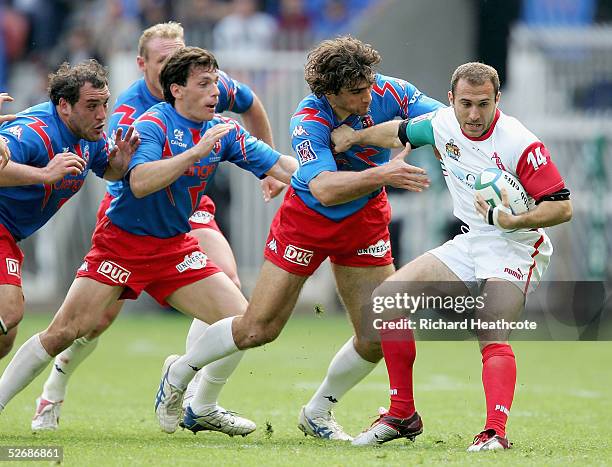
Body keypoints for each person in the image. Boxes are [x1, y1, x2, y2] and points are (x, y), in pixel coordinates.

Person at [152, 35, 442, 440]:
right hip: (307, 221)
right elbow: (323, 188)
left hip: (364, 220)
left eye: (369, 85)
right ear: (330, 92)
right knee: (259, 328)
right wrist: (383, 173)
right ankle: (181, 370)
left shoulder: (391, 91)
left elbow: (444, 123)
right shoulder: (309, 119)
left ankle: (318, 412)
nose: (367, 97)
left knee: (377, 336)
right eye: (357, 93)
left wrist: (370, 136)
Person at [0, 46, 296, 438]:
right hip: (121, 243)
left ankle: (189, 388)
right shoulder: (151, 123)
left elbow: (279, 162)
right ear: (176, 88)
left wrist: (325, 175)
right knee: (65, 331)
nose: (215, 92)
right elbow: (138, 183)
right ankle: (38, 396)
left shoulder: (219, 130)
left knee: (248, 326)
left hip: (173, 246)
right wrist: (194, 153)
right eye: (204, 84)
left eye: (216, 83)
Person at [330, 62, 572, 450]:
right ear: (450, 100)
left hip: (517, 243)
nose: (474, 115)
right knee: (387, 302)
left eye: (483, 104)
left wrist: (515, 220)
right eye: (465, 104)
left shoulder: (520, 142)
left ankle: (494, 432)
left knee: (490, 327)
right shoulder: (442, 123)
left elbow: (561, 207)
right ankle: (402, 414)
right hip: (471, 239)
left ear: (497, 100)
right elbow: (399, 131)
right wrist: (352, 138)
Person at [0, 59, 139, 359]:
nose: (102, 115)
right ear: (64, 105)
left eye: (105, 104)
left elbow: (107, 170)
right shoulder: (35, 132)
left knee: (4, 340)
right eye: (92, 106)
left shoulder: (90, 137)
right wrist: (44, 174)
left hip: (9, 234)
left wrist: (119, 165)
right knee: (9, 313)